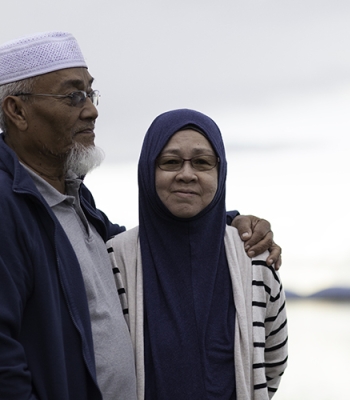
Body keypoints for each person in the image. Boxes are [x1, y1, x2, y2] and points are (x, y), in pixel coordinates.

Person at [0, 32, 282, 399]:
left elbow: (156, 237)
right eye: (72, 96)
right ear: (17, 111)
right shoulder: (8, 205)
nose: (91, 110)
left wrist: (223, 222)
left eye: (90, 93)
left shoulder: (76, 204)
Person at [107, 109, 288, 399]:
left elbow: (272, 365)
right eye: (170, 162)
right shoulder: (114, 260)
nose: (187, 174)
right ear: (147, 170)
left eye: (203, 163)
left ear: (221, 172)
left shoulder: (254, 260)